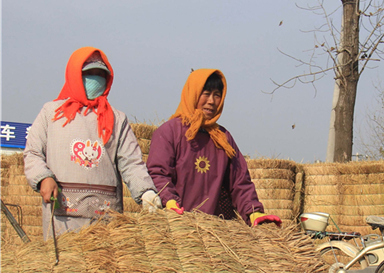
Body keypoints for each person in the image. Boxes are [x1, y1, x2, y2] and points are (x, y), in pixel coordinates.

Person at [24, 46, 162, 240]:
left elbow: (131, 162)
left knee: (104, 268)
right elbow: (33, 153)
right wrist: (43, 178)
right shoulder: (51, 113)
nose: (95, 79)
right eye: (89, 73)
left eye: (100, 74)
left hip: (105, 218)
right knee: (66, 267)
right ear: (74, 75)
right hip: (63, 217)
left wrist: (145, 191)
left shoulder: (117, 119)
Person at [146, 69, 281, 227]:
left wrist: (254, 211)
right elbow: (158, 173)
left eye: (217, 95)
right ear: (193, 93)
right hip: (174, 226)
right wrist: (169, 201)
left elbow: (240, 182)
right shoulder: (170, 132)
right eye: (206, 93)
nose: (211, 101)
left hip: (213, 232)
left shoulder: (224, 139)